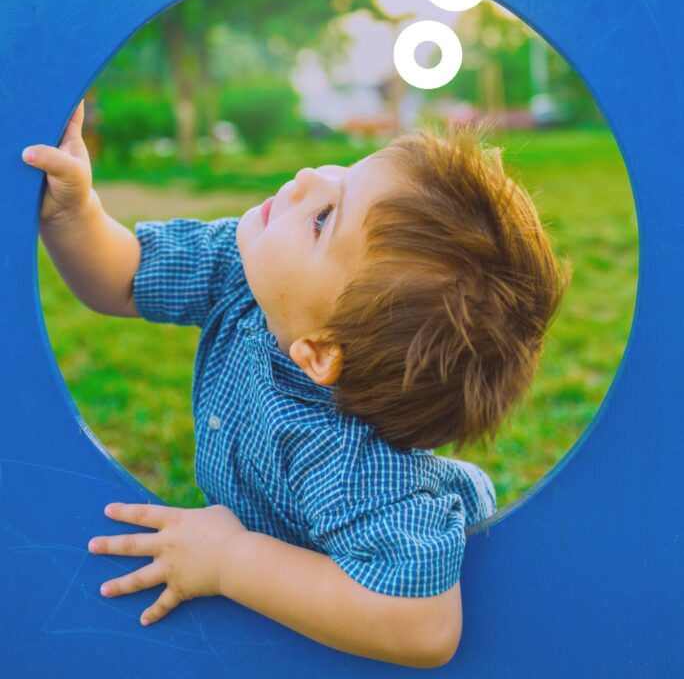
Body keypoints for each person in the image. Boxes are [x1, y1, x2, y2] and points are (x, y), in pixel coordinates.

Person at [22, 100, 571, 668]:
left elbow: (423, 626)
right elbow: (126, 277)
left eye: (324, 218)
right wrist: (71, 213)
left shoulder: (349, 465)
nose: (310, 175)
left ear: (320, 353)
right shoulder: (254, 269)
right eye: (346, 172)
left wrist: (230, 561)